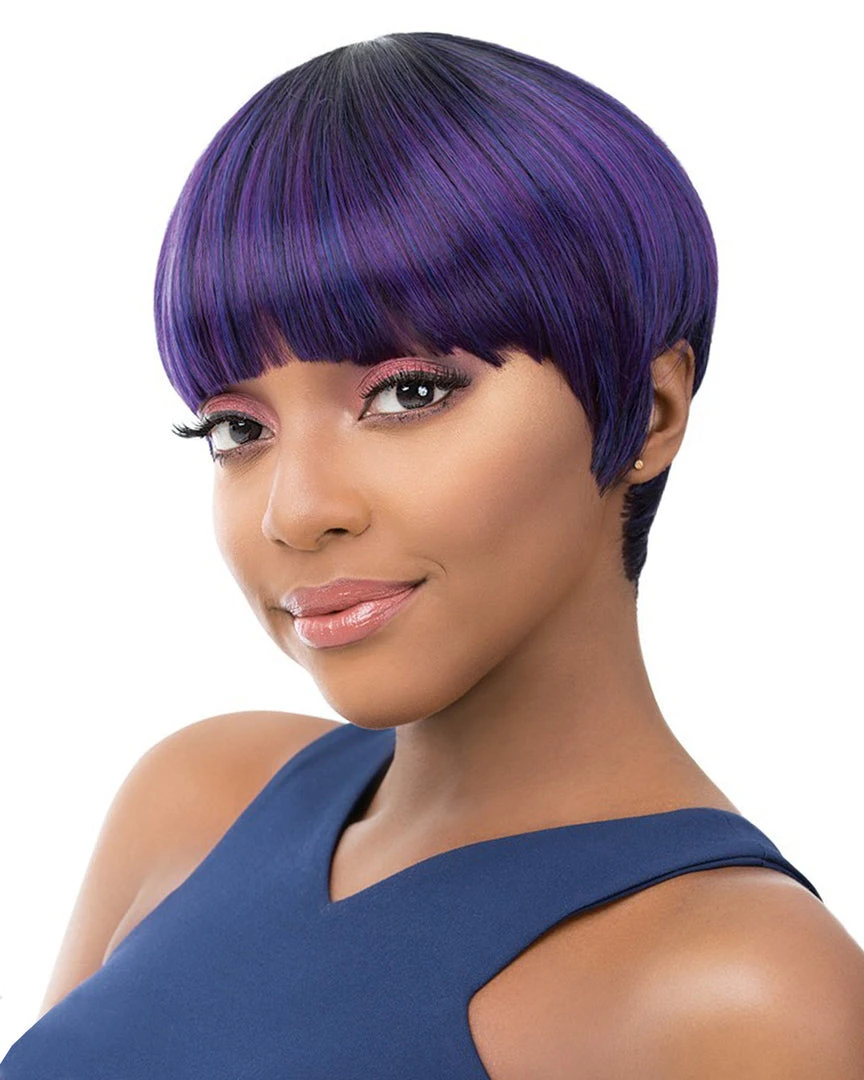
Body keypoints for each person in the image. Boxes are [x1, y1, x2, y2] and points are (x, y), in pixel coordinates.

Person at [3, 30, 863, 1079]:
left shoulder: (746, 994)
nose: (295, 512)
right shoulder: (195, 800)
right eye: (236, 428)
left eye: (408, 393)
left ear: (651, 410)